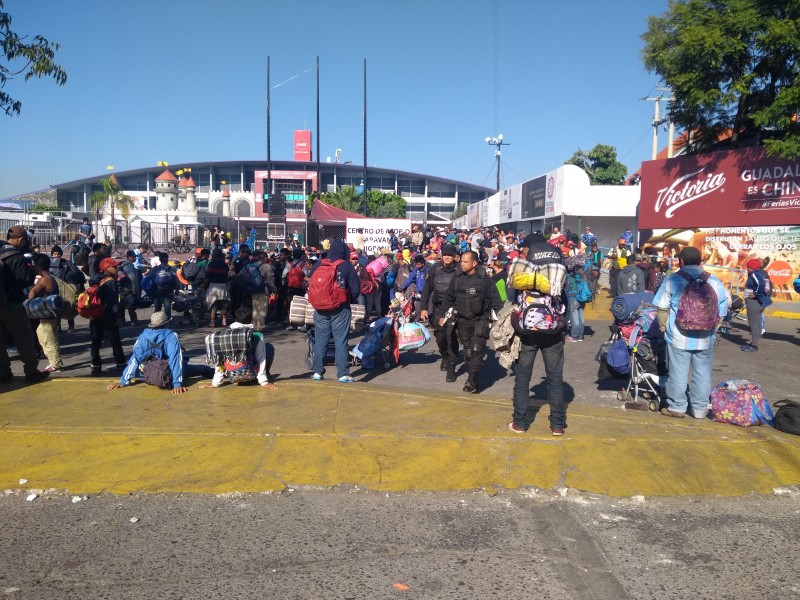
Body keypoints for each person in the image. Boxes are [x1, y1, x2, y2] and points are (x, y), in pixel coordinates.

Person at [654, 246, 727, 419]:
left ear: (681, 261)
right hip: (705, 337)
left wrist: (664, 329)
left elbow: (662, 307)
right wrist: (711, 329)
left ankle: (677, 407)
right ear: (701, 261)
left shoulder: (673, 280)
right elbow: (722, 311)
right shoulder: (714, 281)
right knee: (702, 373)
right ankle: (700, 409)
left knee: (677, 372)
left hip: (679, 336)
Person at [507, 232, 568, 435]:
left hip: (527, 332)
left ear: (529, 249)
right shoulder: (557, 270)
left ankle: (520, 423)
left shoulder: (524, 271)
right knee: (555, 378)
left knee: (523, 378)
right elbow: (565, 300)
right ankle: (557, 425)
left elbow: (509, 295)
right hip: (552, 332)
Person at [438, 250, 503, 393]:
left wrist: (502, 319)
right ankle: (474, 373)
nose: (461, 264)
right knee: (468, 353)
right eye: (461, 261)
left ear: (474, 263)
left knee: (476, 349)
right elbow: (449, 297)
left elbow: (496, 300)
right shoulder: (457, 278)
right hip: (462, 321)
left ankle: (472, 381)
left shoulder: (484, 279)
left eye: (465, 262)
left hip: (481, 320)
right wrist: (442, 314)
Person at [108, 312, 213, 394]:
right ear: (167, 323)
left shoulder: (142, 336)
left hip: (148, 375)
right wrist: (177, 384)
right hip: (168, 374)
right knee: (200, 369)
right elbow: (175, 359)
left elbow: (135, 358)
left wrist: (123, 381)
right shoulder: (171, 336)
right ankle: (217, 373)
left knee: (141, 363)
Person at [0, 227, 49, 383]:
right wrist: (32, 271)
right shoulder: (17, 257)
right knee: (24, 337)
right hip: (12, 304)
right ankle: (31, 371)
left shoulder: (0, 252)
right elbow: (24, 281)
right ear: (21, 240)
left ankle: (3, 372)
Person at [308, 239, 360, 383]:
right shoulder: (346, 266)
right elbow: (356, 290)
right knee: (341, 341)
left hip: (320, 309)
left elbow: (311, 286)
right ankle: (342, 373)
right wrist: (347, 300)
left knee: (320, 341)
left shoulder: (319, 264)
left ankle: (318, 372)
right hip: (340, 309)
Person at [200, 307, 278, 389]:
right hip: (250, 373)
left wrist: (215, 383)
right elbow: (261, 359)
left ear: (235, 319)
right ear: (251, 320)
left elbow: (220, 360)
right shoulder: (257, 335)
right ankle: (265, 375)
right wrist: (264, 382)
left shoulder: (224, 334)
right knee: (269, 347)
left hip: (232, 375)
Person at [420, 243, 461, 379]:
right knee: (440, 338)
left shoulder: (460, 270)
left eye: (450, 255)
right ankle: (445, 356)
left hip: (454, 309)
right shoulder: (435, 269)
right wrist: (424, 308)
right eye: (445, 255)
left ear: (455, 257)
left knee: (450, 336)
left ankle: (452, 366)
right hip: (438, 308)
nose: (447, 257)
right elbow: (427, 289)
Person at [89, 257, 126, 376]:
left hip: (95, 314)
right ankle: (120, 363)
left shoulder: (95, 280)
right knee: (115, 341)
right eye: (114, 267)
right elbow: (113, 301)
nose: (116, 268)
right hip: (108, 315)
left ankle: (95, 365)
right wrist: (118, 316)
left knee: (96, 341)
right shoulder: (110, 281)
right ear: (106, 268)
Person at [27, 254, 64, 372]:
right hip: (53, 312)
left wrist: (30, 303)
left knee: (49, 338)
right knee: (44, 336)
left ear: (38, 266)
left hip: (47, 313)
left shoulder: (44, 279)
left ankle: (56, 363)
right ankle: (53, 361)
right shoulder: (52, 276)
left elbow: (32, 293)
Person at [741, 258, 773, 352]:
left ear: (750, 267)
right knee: (758, 322)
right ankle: (754, 343)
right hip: (759, 303)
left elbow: (761, 285)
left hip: (754, 303)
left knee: (753, 324)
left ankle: (754, 346)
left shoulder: (755, 274)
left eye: (747, 267)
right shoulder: (761, 273)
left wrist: (756, 294)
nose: (747, 268)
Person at [203, 248, 231, 327]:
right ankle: (224, 321)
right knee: (223, 306)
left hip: (213, 287)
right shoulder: (225, 265)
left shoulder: (211, 264)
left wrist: (203, 286)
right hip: (223, 286)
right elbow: (227, 276)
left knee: (213, 306)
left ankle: (212, 322)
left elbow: (208, 276)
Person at [120, 250, 142, 325]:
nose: (135, 258)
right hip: (129, 289)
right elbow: (132, 278)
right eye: (134, 257)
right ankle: (133, 321)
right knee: (131, 306)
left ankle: (122, 321)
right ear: (129, 257)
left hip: (123, 289)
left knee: (123, 305)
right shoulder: (128, 266)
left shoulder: (124, 265)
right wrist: (134, 289)